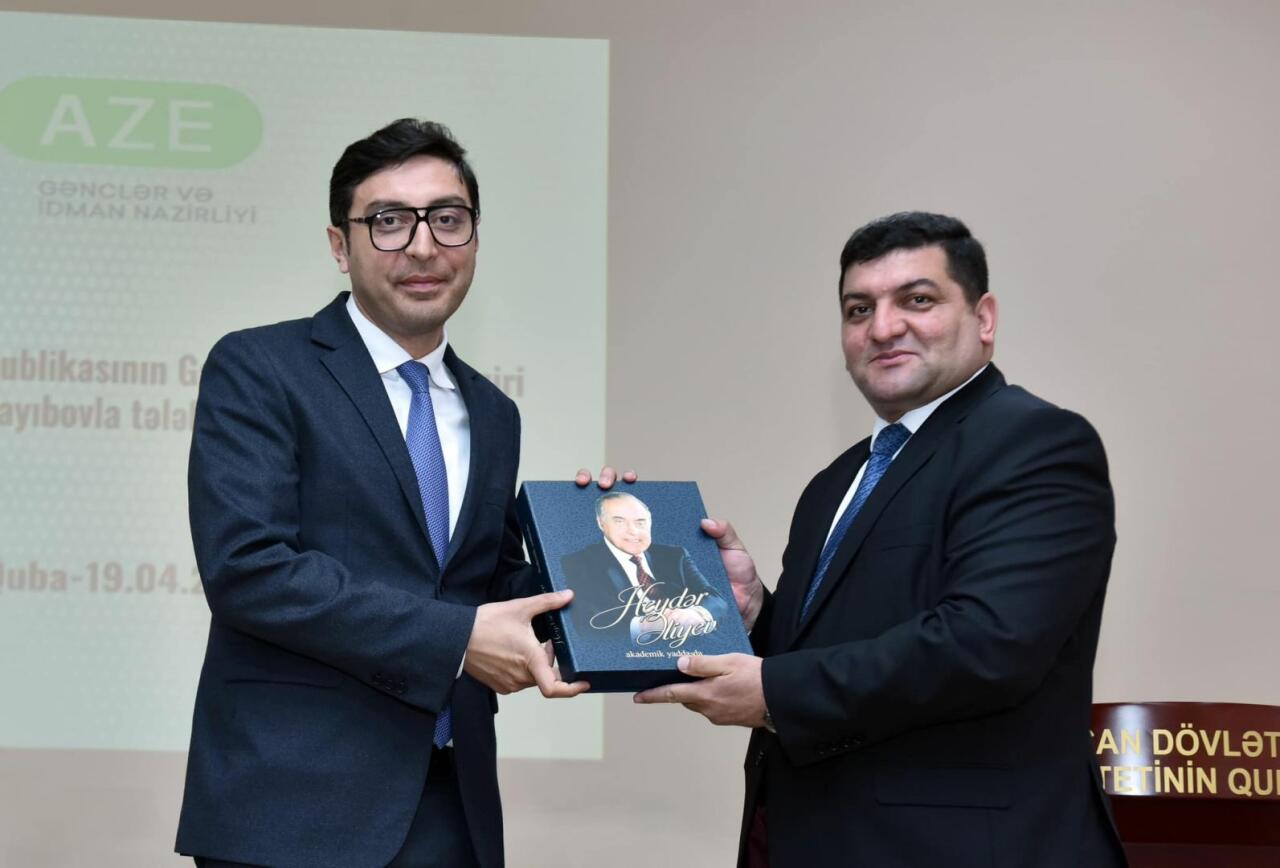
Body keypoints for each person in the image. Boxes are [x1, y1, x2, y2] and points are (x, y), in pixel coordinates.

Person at [632, 212, 1127, 867]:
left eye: (917, 300)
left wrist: (777, 691)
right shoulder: (836, 483)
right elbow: (846, 645)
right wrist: (755, 616)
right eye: (859, 309)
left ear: (984, 318)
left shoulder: (1035, 442)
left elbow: (987, 645)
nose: (883, 327)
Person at [176, 119, 586, 868]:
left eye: (448, 219)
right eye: (390, 221)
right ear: (341, 246)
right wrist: (457, 640)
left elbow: (482, 585)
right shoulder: (261, 367)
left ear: (475, 238)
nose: (424, 247)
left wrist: (606, 562)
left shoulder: (494, 412)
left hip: (452, 807)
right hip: (291, 811)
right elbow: (249, 569)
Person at [559, 491, 729, 639]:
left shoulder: (674, 556)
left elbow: (715, 598)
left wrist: (695, 613)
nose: (633, 531)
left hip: (694, 647)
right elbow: (586, 626)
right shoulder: (577, 563)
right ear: (601, 523)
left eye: (640, 522)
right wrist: (645, 626)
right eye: (619, 521)